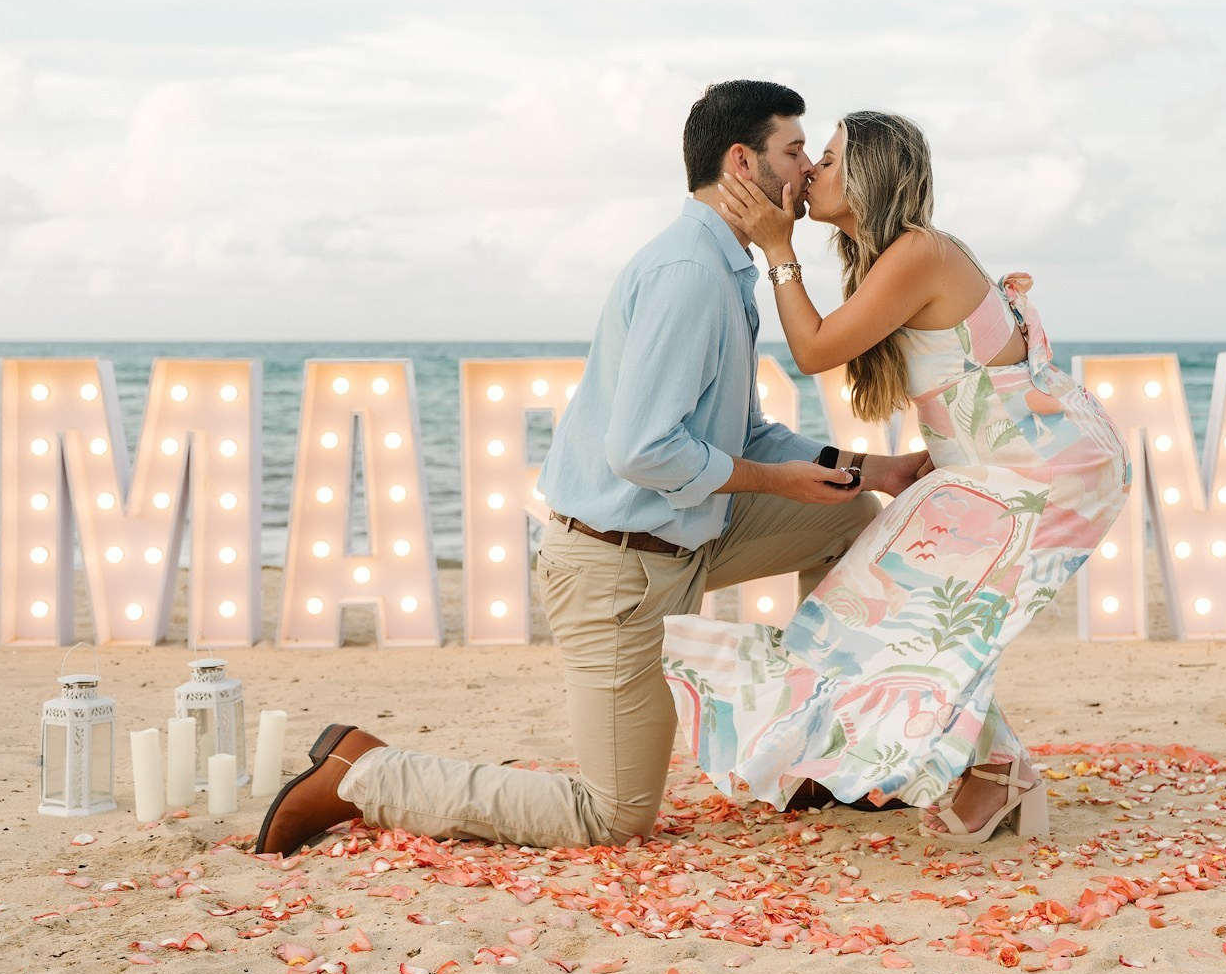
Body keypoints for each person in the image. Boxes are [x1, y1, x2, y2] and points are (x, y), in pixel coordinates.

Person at [255, 81, 931, 855]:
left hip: (687, 537)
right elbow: (642, 452)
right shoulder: (690, 275)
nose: (808, 167)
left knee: (846, 516)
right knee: (611, 817)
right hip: (617, 568)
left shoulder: (727, 268)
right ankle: (363, 771)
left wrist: (878, 469)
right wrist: (775, 481)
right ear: (742, 163)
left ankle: (820, 753)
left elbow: (745, 432)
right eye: (793, 150)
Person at [661, 111, 1132, 845]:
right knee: (895, 606)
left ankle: (1000, 773)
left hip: (1047, 465)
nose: (810, 171)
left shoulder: (919, 250)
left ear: (870, 174)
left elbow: (814, 351)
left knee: (939, 613)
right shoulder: (894, 258)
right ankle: (987, 770)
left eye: (828, 157)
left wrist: (780, 250)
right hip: (989, 465)